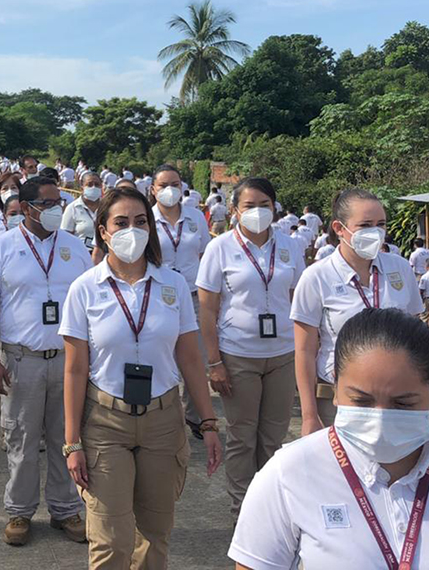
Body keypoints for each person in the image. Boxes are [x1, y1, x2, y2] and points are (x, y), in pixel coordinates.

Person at [229, 308, 429, 570]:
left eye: (403, 404)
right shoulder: (288, 474)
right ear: (335, 388)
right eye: (362, 401)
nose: (380, 421)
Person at [61, 187, 223, 569]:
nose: (131, 230)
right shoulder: (84, 289)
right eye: (121, 223)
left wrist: (209, 421)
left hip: (163, 422)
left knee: (154, 537)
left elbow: (189, 359)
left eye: (140, 222)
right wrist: (72, 443)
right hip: (105, 423)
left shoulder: (173, 285)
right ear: (103, 231)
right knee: (110, 541)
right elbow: (74, 369)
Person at [0, 177, 92, 547]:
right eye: (48, 203)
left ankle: (65, 509)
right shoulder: (2, 248)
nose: (57, 209)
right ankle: (20, 511)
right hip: (20, 359)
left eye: (59, 202)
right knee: (22, 440)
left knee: (66, 437)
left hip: (68, 361)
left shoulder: (75, 248)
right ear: (26, 209)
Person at [196, 177, 304, 518]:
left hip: (283, 355)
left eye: (265, 205)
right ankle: (242, 511)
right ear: (234, 210)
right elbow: (208, 310)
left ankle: (271, 510)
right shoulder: (220, 248)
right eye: (249, 206)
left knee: (274, 439)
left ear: (275, 208)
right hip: (238, 354)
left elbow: (298, 300)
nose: (258, 212)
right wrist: (214, 362)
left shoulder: (290, 247)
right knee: (243, 438)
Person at [291, 189, 424, 435]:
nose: (375, 232)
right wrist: (309, 416)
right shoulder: (317, 277)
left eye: (380, 224)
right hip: (341, 402)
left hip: (398, 401)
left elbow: (417, 335)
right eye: (365, 225)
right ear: (339, 229)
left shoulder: (401, 269)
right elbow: (304, 351)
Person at [150, 164, 212, 438]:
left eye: (174, 184)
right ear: (153, 190)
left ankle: (195, 416)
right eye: (163, 185)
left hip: (192, 295)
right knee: (161, 355)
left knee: (194, 356)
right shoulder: (146, 220)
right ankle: (164, 413)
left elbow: (204, 254)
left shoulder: (196, 217)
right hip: (158, 297)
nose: (169, 190)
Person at [62, 171, 103, 255]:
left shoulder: (107, 207)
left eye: (97, 184)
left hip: (104, 254)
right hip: (81, 254)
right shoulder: (72, 208)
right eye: (90, 184)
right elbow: (65, 236)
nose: (93, 187)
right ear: (82, 187)